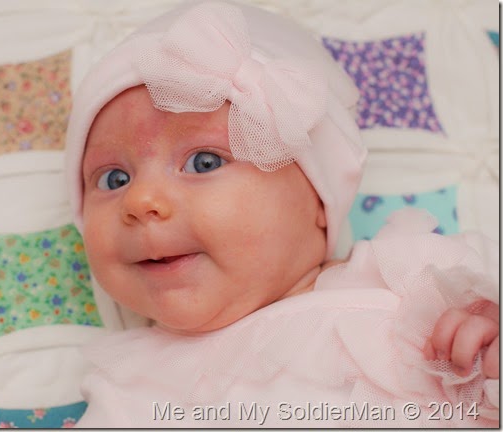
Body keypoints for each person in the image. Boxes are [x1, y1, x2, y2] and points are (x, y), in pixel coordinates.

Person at [64, 1, 499, 427]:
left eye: (204, 162)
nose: (140, 200)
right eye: (113, 179)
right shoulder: (131, 389)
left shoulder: (421, 281)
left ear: (318, 199)